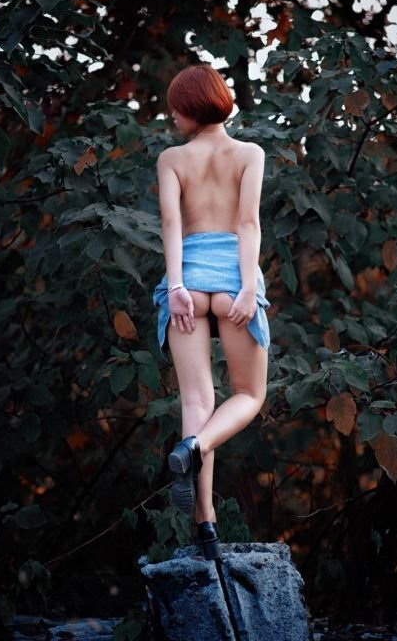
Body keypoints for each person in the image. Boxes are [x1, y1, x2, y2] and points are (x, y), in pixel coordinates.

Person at [152, 63, 270, 560]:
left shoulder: (172, 158)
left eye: (175, 109)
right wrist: (247, 288)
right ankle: (194, 449)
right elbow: (248, 223)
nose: (173, 117)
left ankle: (205, 526)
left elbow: (171, 224)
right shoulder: (250, 153)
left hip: (190, 278)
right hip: (233, 278)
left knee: (197, 401)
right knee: (248, 395)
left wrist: (177, 285)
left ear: (190, 108)